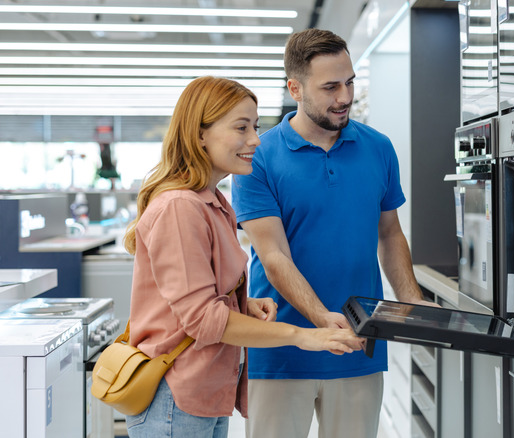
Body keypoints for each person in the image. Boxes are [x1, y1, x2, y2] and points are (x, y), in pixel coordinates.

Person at [122, 76, 363, 438]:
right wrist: (301, 335)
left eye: (256, 126)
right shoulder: (180, 208)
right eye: (241, 127)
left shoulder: (215, 204)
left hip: (204, 392)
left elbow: (195, 298)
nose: (255, 140)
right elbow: (202, 320)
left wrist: (241, 304)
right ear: (200, 133)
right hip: (174, 398)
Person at [231, 28, 430, 438]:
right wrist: (322, 319)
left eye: (350, 82)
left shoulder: (378, 148)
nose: (344, 97)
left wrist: (412, 301)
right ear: (295, 88)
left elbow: (389, 233)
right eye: (330, 86)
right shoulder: (259, 156)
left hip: (359, 346)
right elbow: (273, 255)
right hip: (283, 349)